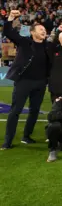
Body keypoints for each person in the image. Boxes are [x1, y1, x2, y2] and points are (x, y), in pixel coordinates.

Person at [2, 10, 50, 150]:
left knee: (34, 111)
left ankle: (26, 136)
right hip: (23, 81)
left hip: (40, 83)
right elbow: (8, 32)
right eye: (41, 29)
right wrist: (10, 18)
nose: (44, 31)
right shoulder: (24, 42)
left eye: (45, 30)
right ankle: (7, 141)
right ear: (32, 32)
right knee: (15, 110)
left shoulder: (48, 45)